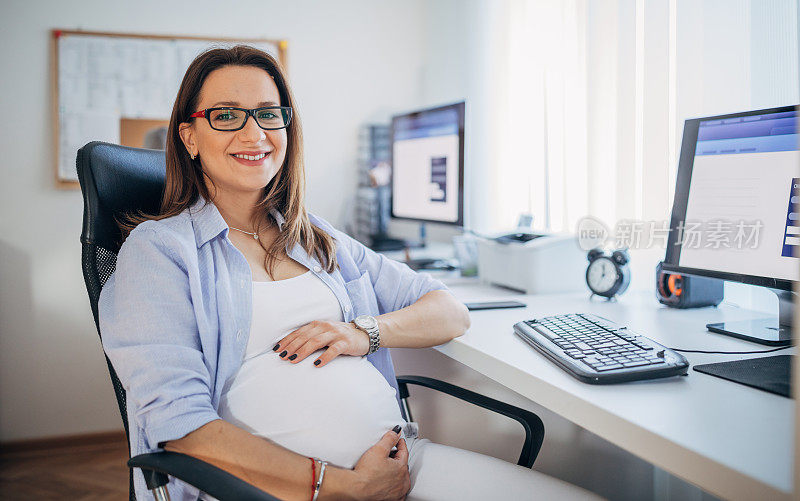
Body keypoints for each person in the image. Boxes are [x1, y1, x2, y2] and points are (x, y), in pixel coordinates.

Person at [99, 45, 600, 501]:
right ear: (189, 135)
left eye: (268, 114)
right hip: (271, 491)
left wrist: (365, 332)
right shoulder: (160, 252)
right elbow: (182, 428)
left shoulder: (313, 236)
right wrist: (339, 487)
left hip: (399, 468)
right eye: (226, 116)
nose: (253, 134)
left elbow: (449, 310)